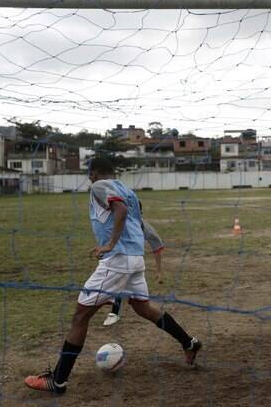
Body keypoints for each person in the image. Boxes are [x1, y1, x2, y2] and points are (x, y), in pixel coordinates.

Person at [24, 157, 202, 394]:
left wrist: (110, 243)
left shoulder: (99, 187)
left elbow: (120, 209)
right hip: (135, 260)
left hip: (117, 261)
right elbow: (140, 224)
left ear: (94, 173)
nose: (89, 179)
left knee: (80, 317)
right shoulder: (128, 190)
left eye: (90, 175)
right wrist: (154, 248)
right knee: (144, 308)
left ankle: (58, 380)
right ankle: (189, 343)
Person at [103, 219, 164, 326]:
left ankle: (114, 311)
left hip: (134, 261)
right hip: (119, 259)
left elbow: (157, 247)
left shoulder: (145, 228)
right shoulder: (118, 224)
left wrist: (159, 271)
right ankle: (114, 310)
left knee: (123, 285)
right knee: (120, 283)